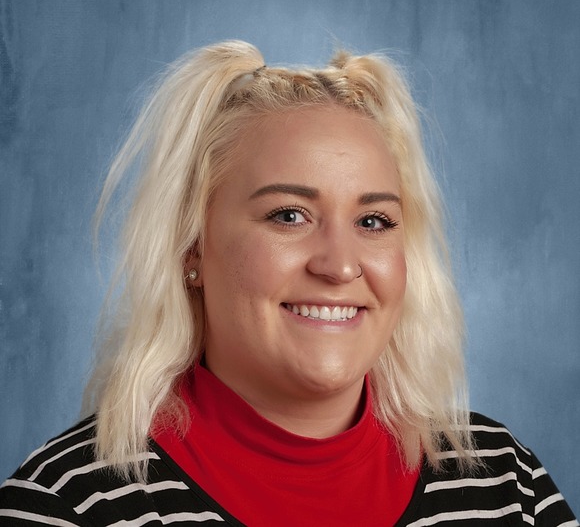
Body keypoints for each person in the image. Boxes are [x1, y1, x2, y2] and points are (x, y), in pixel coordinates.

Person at [0, 40, 576, 526]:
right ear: (191, 247)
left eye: (373, 221)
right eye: (289, 216)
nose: (340, 266)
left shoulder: (507, 484)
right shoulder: (64, 506)